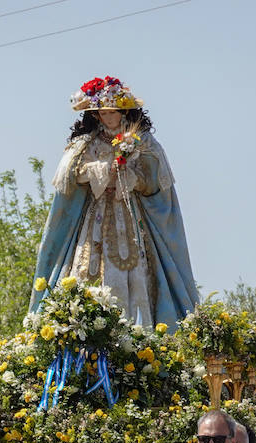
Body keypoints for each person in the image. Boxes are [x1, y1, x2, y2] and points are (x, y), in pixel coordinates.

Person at [31, 75, 197, 330]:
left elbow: (156, 180)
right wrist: (98, 170)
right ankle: (88, 329)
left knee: (136, 274)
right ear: (96, 116)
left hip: (131, 218)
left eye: (114, 112)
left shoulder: (142, 142)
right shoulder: (85, 143)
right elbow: (69, 174)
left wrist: (134, 178)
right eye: (104, 113)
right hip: (94, 220)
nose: (110, 118)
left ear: (124, 111)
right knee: (87, 273)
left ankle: (136, 333)